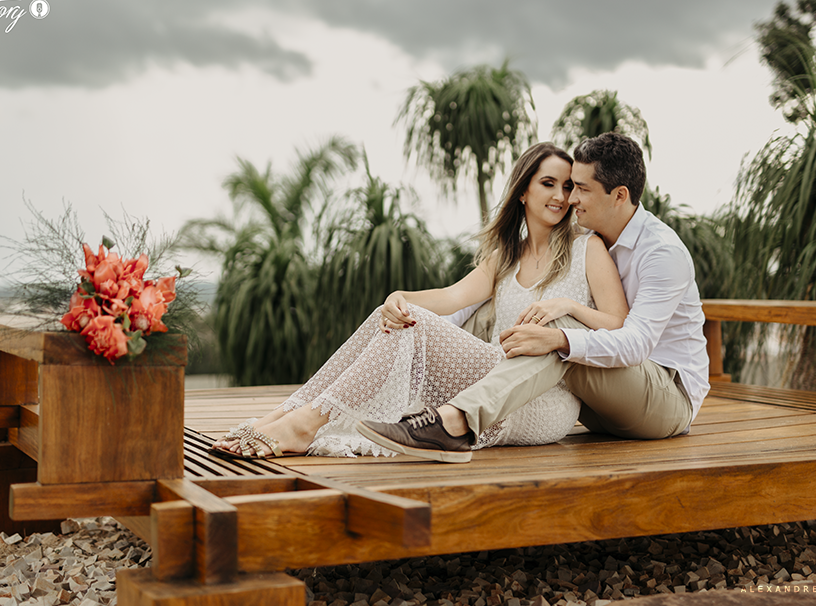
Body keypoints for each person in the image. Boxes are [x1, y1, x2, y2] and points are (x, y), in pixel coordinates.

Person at [210, 142, 629, 460]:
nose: (561, 196)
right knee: (396, 315)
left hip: (544, 398)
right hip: (493, 379)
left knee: (416, 323)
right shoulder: (505, 257)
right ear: (523, 191)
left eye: (569, 187)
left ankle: (303, 424)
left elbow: (618, 322)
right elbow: (451, 296)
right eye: (548, 183)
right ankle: (286, 415)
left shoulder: (587, 248)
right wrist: (399, 298)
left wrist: (567, 307)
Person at [357, 132, 710, 462]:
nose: (570, 199)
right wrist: (408, 308)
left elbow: (635, 345)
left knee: (555, 331)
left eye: (580, 189)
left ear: (618, 195)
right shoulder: (591, 238)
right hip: (597, 405)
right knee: (502, 316)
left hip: (665, 400)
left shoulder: (661, 253)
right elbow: (463, 301)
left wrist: (561, 331)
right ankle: (375, 409)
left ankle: (454, 422)